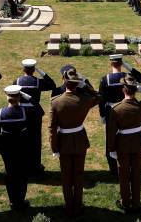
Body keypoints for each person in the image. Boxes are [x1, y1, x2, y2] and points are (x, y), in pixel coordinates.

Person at [49, 69, 103, 217]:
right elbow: (98, 96)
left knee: (66, 177)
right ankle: (78, 206)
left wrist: (54, 147)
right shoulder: (84, 99)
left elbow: (52, 128)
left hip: (63, 142)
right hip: (79, 139)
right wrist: (85, 83)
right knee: (78, 175)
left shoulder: (56, 102)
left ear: (64, 81)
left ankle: (69, 206)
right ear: (77, 84)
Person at [106, 75, 141, 213]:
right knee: (136, 174)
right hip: (138, 142)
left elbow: (111, 132)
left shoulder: (116, 109)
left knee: (123, 174)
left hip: (122, 144)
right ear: (135, 90)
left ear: (123, 90)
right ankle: (136, 203)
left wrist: (111, 149)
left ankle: (125, 202)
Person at [99, 54, 141, 176]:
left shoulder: (105, 79)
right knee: (126, 139)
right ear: (121, 63)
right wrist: (127, 66)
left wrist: (102, 115)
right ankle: (129, 166)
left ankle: (114, 170)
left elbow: (101, 99)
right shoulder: (128, 77)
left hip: (111, 111)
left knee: (111, 140)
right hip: (127, 109)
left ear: (111, 63)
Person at [0, 85, 34, 210]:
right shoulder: (26, 112)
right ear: (19, 97)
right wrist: (28, 98)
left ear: (7, 98)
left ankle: (12, 201)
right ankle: (20, 200)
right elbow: (38, 110)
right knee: (22, 174)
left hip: (7, 147)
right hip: (22, 146)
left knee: (10, 173)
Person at [14, 58, 56, 175]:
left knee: (21, 138)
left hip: (20, 112)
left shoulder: (16, 81)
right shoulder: (38, 82)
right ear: (33, 69)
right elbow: (52, 85)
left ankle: (23, 165)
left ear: (23, 69)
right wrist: (41, 72)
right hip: (34, 112)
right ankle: (35, 166)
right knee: (35, 139)